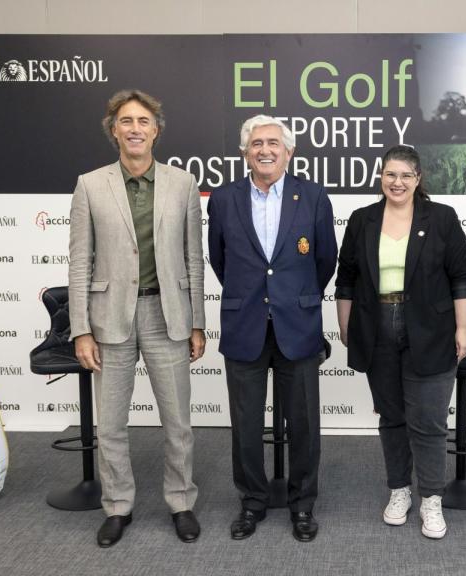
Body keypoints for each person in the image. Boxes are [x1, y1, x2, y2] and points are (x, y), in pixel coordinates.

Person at [68, 89, 206, 548]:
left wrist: (197, 321)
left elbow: (193, 258)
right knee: (110, 424)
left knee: (178, 422)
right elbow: (79, 262)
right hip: (109, 318)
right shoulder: (90, 185)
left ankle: (181, 502)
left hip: (168, 314)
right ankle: (117, 507)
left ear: (156, 130)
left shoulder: (183, 184)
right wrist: (81, 329)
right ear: (114, 131)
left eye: (143, 121)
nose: (135, 129)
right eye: (126, 121)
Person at [207, 115, 337, 542]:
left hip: (297, 325)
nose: (265, 150)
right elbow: (219, 259)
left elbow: (325, 260)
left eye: (273, 143)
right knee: (245, 425)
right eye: (257, 143)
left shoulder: (313, 196)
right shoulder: (224, 199)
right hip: (243, 324)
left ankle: (303, 506)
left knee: (304, 424)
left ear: (289, 151)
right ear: (245, 152)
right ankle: (252, 502)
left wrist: (293, 297)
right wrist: (254, 294)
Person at [335, 145, 466, 539]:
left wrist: (463, 328)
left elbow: (460, 278)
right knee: (392, 417)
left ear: (418, 179)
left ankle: (431, 498)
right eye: (390, 174)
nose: (397, 182)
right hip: (375, 327)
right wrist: (346, 326)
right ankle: (399, 490)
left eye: (405, 176)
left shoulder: (442, 218)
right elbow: (346, 279)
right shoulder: (362, 219)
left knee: (428, 422)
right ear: (381, 176)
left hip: (431, 329)